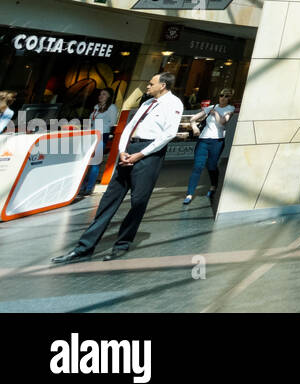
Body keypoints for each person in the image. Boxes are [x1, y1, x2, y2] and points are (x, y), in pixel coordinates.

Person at [51, 73, 184, 264]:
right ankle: (84, 248)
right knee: (108, 200)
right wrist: (122, 150)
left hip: (149, 154)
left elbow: (168, 134)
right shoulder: (147, 103)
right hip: (129, 150)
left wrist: (141, 154)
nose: (147, 86)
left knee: (138, 201)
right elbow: (129, 128)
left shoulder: (174, 104)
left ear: (162, 85)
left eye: (151, 83)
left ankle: (122, 244)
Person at [183, 88, 235, 205]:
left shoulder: (230, 109)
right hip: (203, 139)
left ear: (230, 98)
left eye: (226, 96)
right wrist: (194, 126)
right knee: (197, 166)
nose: (223, 98)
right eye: (222, 95)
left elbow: (222, 122)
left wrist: (216, 112)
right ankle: (189, 194)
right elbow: (193, 118)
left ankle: (213, 186)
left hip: (217, 141)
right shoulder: (211, 107)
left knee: (211, 165)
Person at [79, 89, 119, 196]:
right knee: (87, 161)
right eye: (100, 94)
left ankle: (89, 187)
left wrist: (102, 128)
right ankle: (81, 186)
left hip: (101, 135)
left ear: (109, 97)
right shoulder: (96, 107)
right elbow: (91, 121)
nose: (101, 96)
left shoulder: (111, 107)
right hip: (91, 135)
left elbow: (112, 123)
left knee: (95, 163)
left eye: (104, 94)